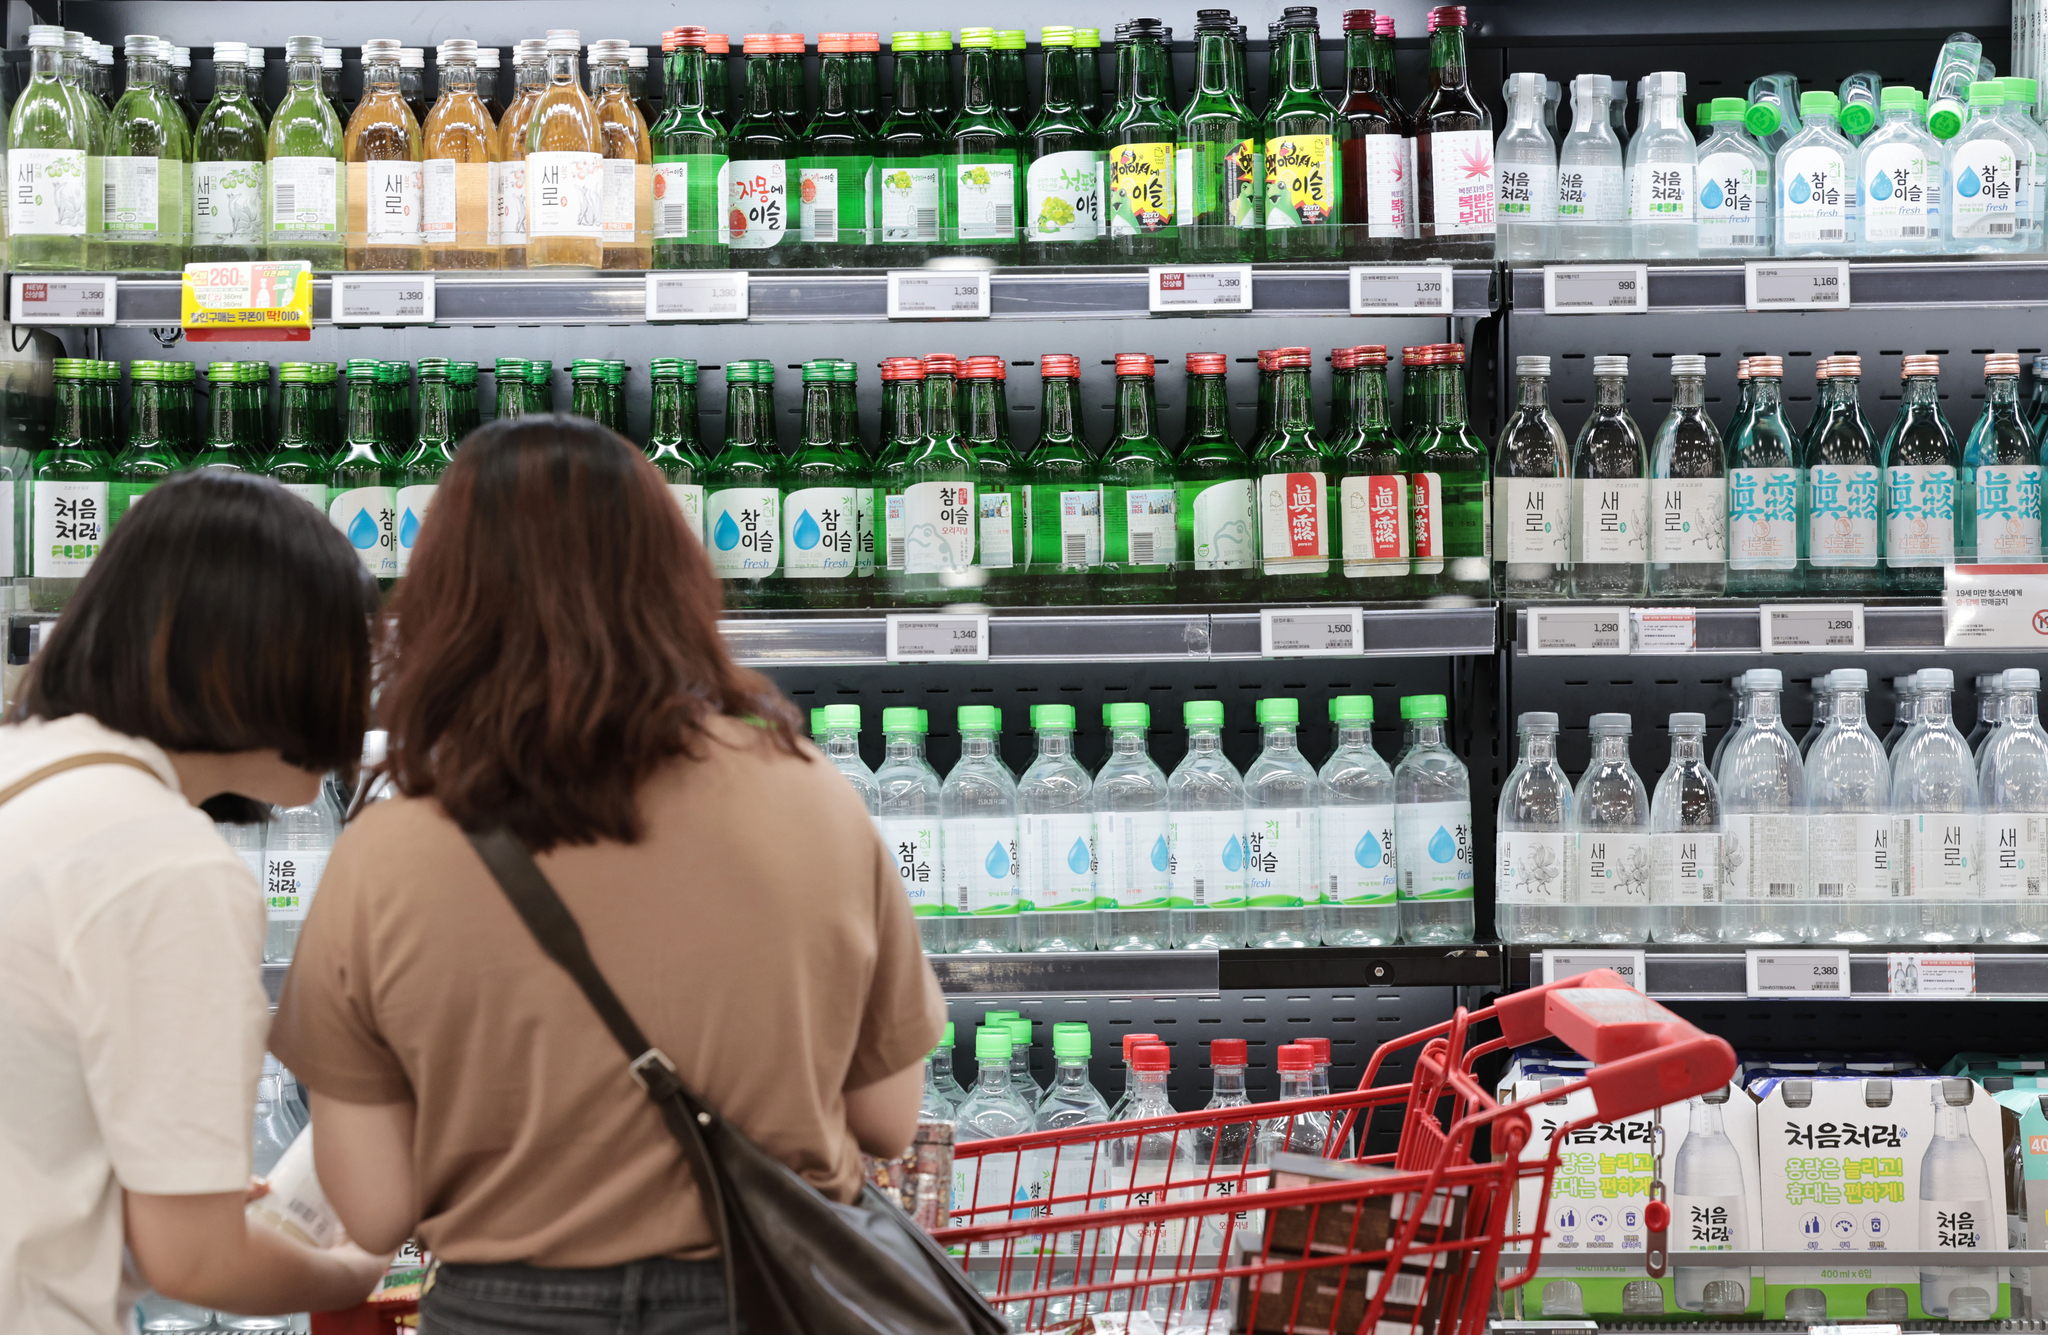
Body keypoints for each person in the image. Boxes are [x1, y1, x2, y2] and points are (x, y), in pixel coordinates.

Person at [269, 415, 945, 1335]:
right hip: (770, 1300)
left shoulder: (387, 851)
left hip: (505, 1311)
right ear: (675, 584)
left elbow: (377, 1206)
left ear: (443, 603)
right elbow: (888, 1116)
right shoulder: (814, 799)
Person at [0, 472, 387, 1334]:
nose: (356, 701)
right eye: (344, 659)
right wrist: (350, 1265)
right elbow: (195, 1260)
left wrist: (164, 1194)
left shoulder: (28, 774)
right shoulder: (167, 865)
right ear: (259, 656)